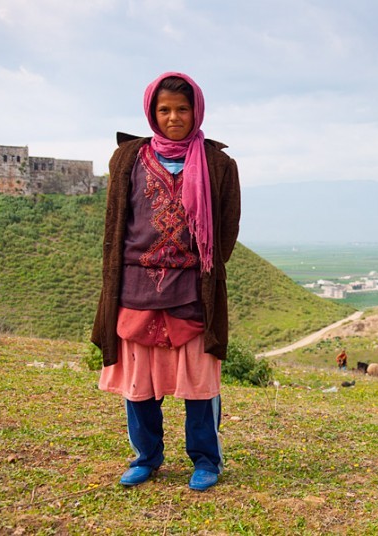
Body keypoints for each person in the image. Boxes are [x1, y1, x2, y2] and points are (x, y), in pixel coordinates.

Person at [91, 72, 241, 491]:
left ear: (196, 112)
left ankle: (206, 461)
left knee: (199, 383)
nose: (174, 117)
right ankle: (147, 457)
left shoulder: (218, 164)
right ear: (152, 113)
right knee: (140, 384)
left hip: (193, 290)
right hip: (135, 287)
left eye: (182, 109)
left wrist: (198, 267)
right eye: (165, 110)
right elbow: (116, 222)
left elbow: (226, 228)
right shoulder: (128, 159)